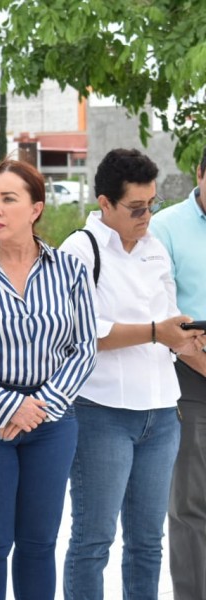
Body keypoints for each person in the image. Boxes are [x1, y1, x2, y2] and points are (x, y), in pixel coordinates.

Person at [0, 159, 97, 600]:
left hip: (52, 423)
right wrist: (9, 404)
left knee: (38, 544)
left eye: (9, 199)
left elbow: (83, 350)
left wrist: (39, 406)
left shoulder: (70, 271)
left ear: (35, 209)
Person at [59, 148, 204, 599]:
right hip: (101, 414)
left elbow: (169, 321)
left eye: (153, 204)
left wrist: (187, 334)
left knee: (147, 543)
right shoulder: (78, 251)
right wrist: (156, 332)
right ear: (104, 203)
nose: (147, 216)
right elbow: (83, 333)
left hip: (161, 413)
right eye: (136, 208)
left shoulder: (154, 248)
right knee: (93, 540)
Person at [149, 146, 206, 600]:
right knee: (190, 504)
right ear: (200, 174)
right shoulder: (165, 227)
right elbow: (163, 313)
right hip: (190, 374)